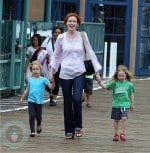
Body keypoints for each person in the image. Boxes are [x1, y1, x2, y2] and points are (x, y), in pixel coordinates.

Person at [49, 13, 102, 139]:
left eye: (74, 21)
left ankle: (78, 126)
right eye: (69, 21)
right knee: (67, 103)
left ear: (77, 23)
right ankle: (69, 130)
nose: (72, 23)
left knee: (77, 99)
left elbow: (91, 53)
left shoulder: (82, 36)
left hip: (79, 71)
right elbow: (56, 56)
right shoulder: (61, 37)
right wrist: (52, 71)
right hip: (65, 73)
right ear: (66, 23)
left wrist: (97, 72)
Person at [98, 65, 135, 141]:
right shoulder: (114, 83)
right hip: (116, 105)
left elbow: (132, 94)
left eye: (123, 75)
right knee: (116, 120)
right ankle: (116, 134)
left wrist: (132, 104)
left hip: (125, 104)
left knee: (124, 118)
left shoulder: (129, 84)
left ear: (126, 75)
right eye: (119, 76)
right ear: (117, 76)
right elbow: (105, 87)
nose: (121, 77)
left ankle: (123, 133)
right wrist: (99, 82)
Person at [20, 61, 54, 137]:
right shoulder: (30, 80)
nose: (35, 70)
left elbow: (51, 87)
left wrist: (53, 81)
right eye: (33, 69)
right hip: (31, 100)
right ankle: (32, 131)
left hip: (39, 102)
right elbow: (27, 90)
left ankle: (39, 124)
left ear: (40, 70)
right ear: (31, 71)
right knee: (32, 115)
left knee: (38, 117)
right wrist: (22, 98)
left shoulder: (43, 80)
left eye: (37, 69)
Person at [41, 26, 64, 106]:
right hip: (47, 65)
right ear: (53, 33)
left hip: (59, 65)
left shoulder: (64, 41)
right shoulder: (47, 41)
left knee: (56, 81)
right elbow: (41, 50)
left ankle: (53, 99)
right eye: (55, 32)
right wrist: (45, 55)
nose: (57, 34)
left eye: (59, 32)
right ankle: (51, 92)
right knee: (46, 81)